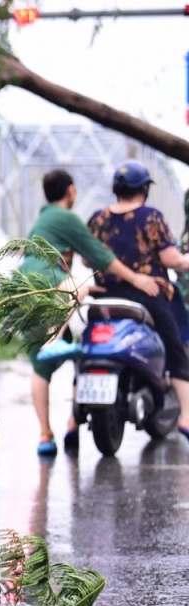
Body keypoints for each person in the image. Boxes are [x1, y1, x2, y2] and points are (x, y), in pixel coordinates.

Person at [18, 169, 159, 456]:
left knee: (41, 366)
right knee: (78, 291)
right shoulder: (65, 217)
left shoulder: (41, 220)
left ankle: (47, 434)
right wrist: (137, 279)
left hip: (21, 285)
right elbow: (100, 257)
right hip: (48, 282)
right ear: (71, 191)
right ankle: (53, 339)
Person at [86, 160, 189, 439]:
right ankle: (187, 418)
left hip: (105, 295)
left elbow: (86, 258)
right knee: (176, 347)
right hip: (147, 294)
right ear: (144, 188)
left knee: (85, 348)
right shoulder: (151, 217)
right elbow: (172, 260)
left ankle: (73, 424)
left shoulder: (98, 218)